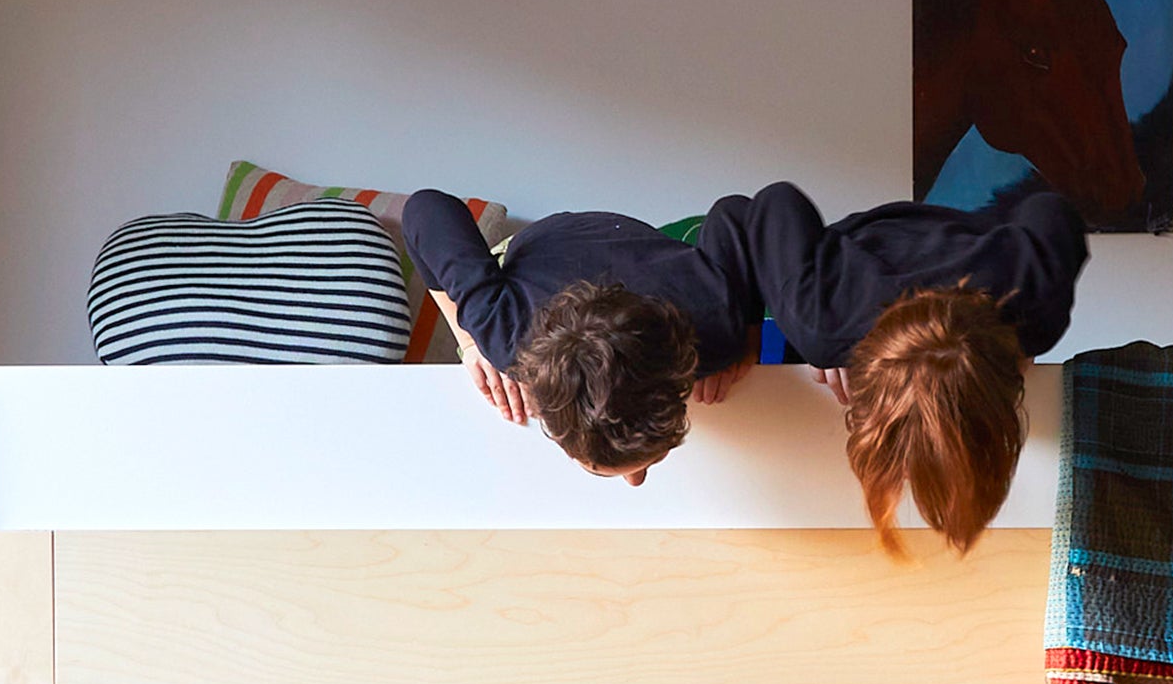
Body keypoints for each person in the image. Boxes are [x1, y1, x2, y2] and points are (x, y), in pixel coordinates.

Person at [720, 181, 1090, 550]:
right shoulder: (820, 315)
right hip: (865, 250)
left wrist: (1013, 345)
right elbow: (771, 203)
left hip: (970, 246)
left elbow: (1052, 210)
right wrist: (743, 341)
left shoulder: (1034, 306)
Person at [400, 188, 763, 485]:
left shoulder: (714, 327)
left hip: (642, 253)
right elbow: (425, 210)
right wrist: (469, 341)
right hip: (550, 246)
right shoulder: (502, 329)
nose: (635, 482)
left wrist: (749, 333)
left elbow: (739, 213)